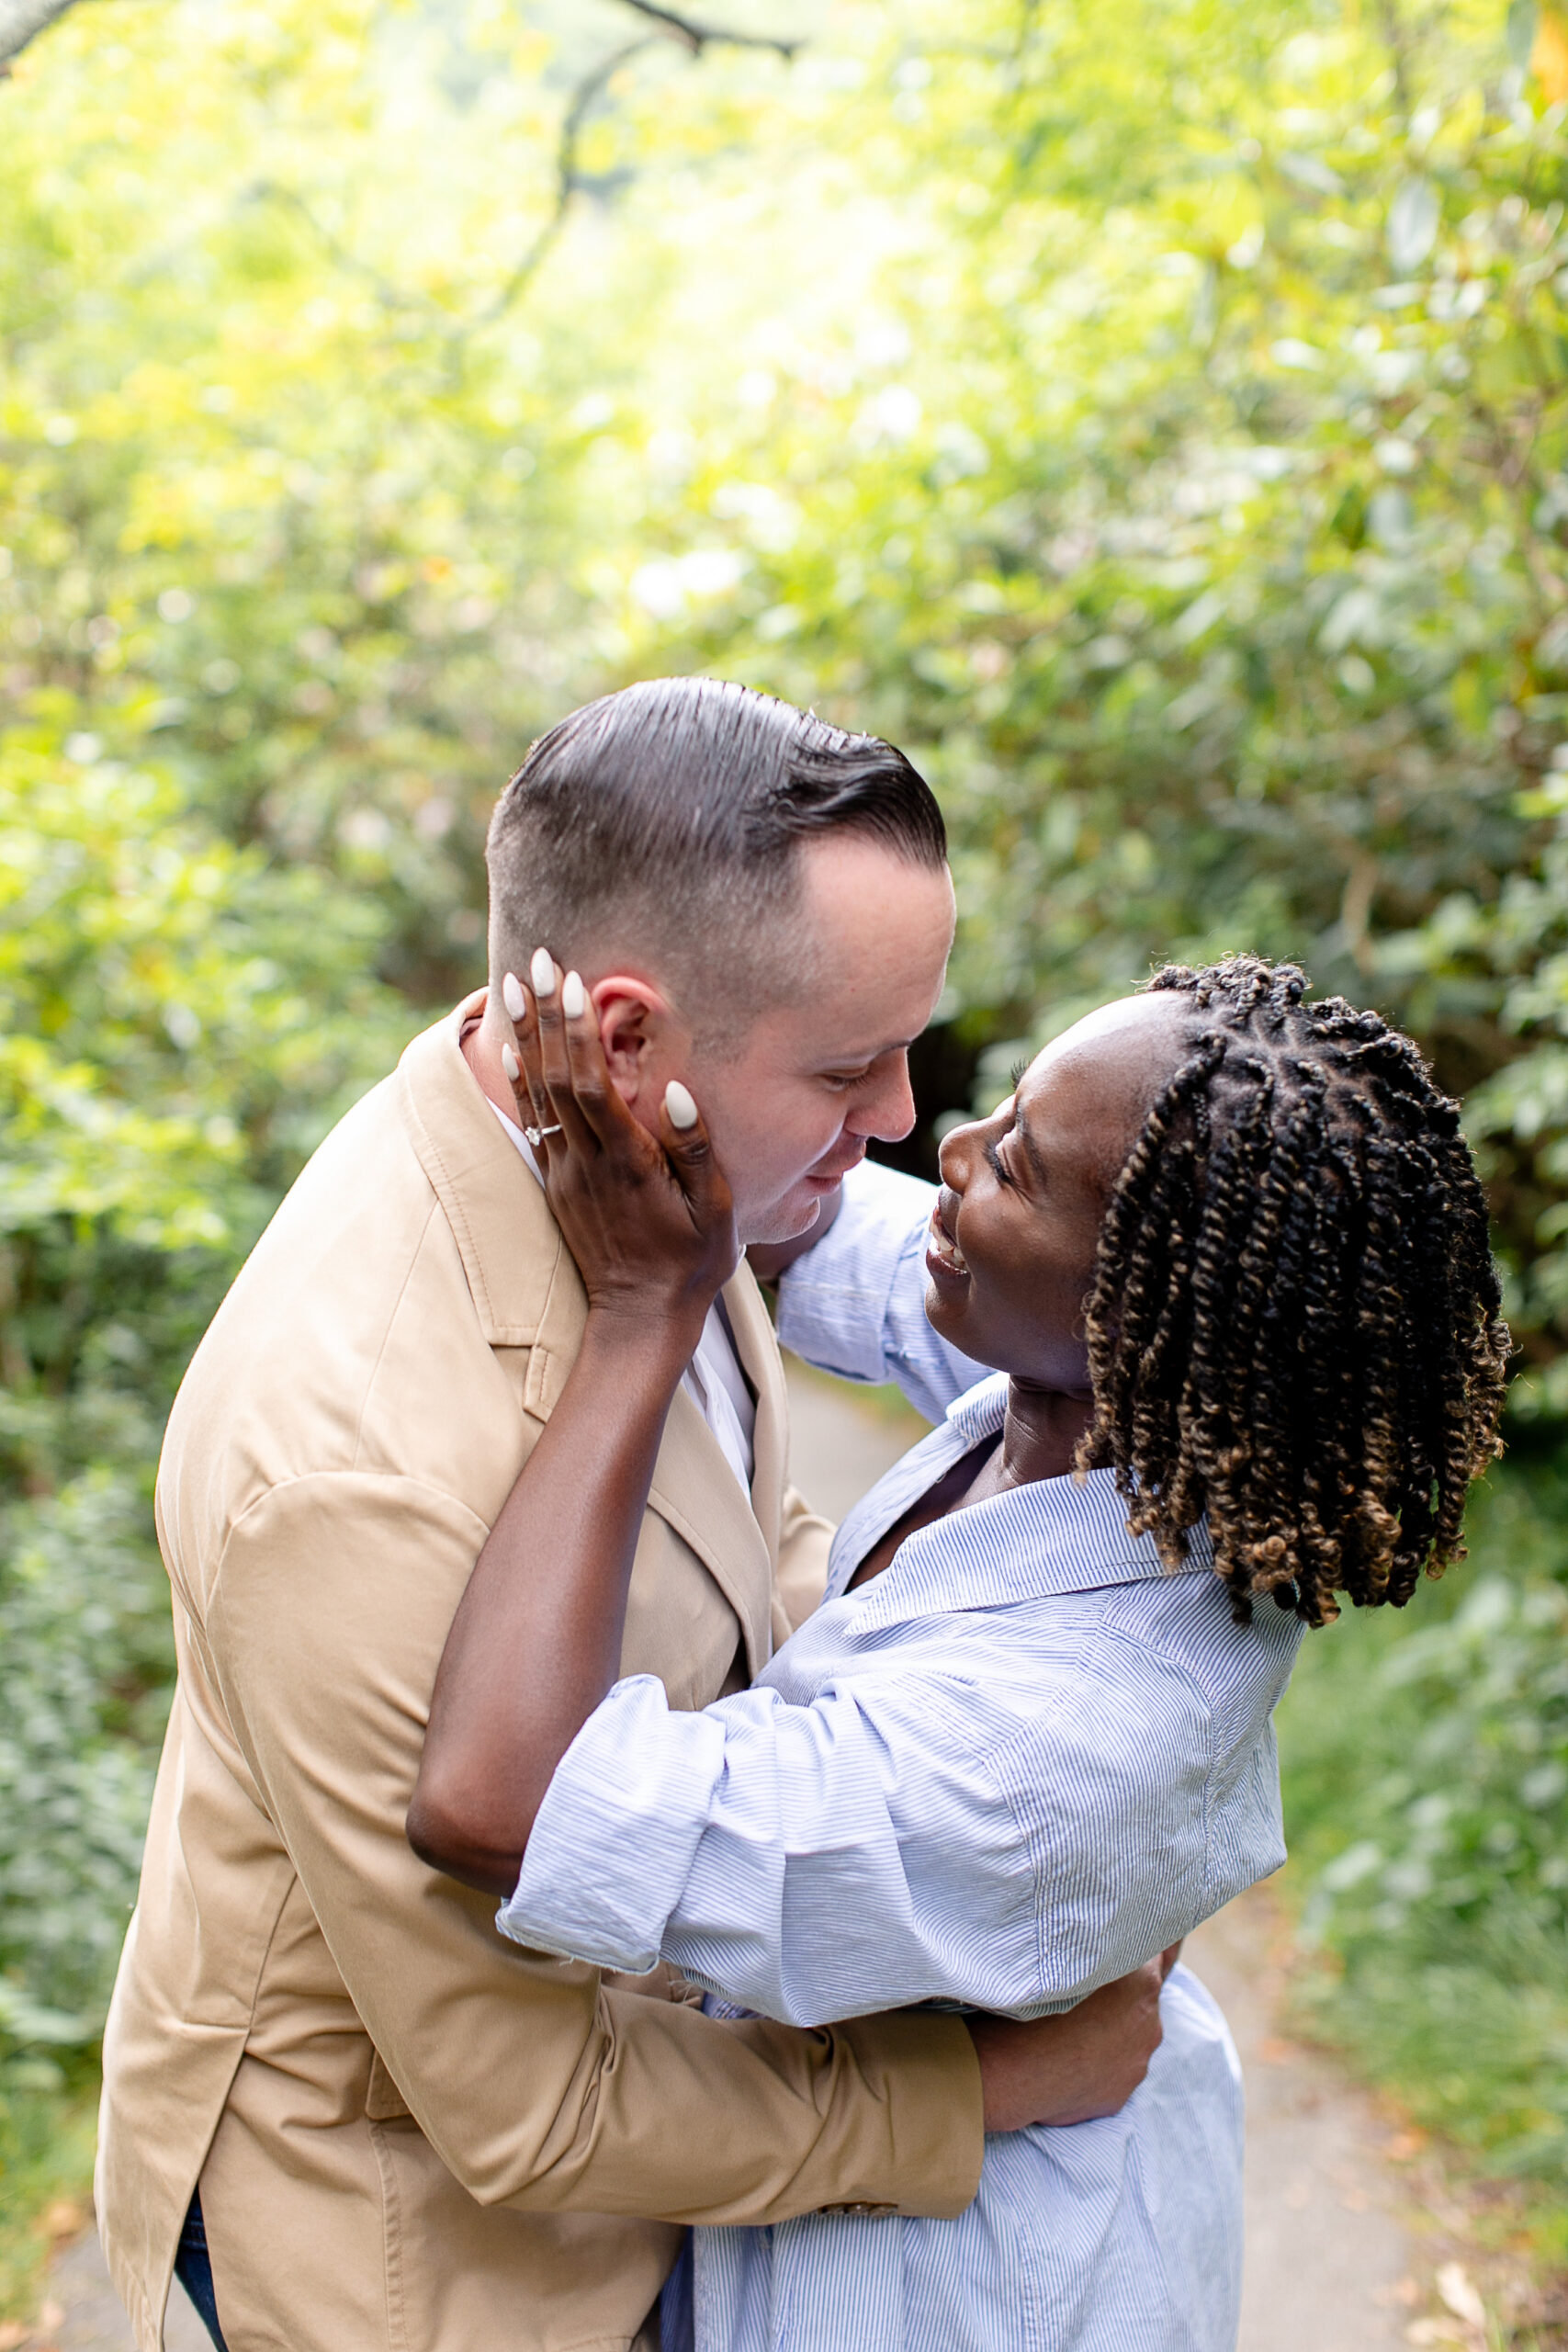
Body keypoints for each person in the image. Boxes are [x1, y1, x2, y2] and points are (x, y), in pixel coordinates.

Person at [96, 679, 1166, 2352]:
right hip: (433, 2258)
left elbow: (757, 1568)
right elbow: (522, 2103)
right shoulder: (349, 1460)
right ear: (623, 1035)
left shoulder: (653, 1183)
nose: (904, 1120)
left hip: (664, 2149)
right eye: (851, 1065)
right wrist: (977, 2089)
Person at [409, 951, 1510, 2352]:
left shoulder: (1043, 1750)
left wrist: (641, 1322)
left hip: (964, 2294)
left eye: (1021, 1170)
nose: (948, 1148)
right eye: (1004, 1113)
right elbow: (807, 1220)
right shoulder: (1085, 1417)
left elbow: (505, 1803)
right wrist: (634, 1054)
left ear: (1142, 1312)